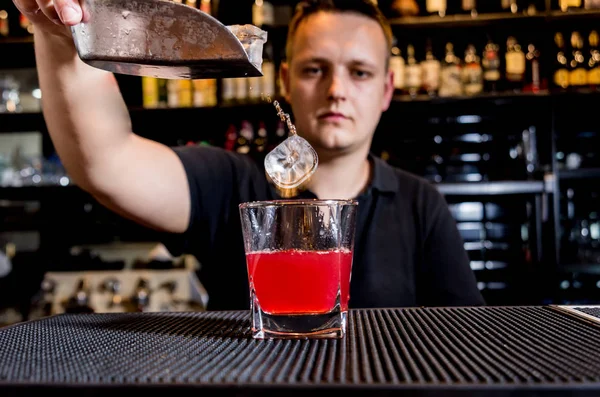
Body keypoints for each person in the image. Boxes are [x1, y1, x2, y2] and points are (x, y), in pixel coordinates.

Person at [13, 0, 485, 310]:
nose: (337, 90)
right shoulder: (233, 185)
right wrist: (56, 31)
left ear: (386, 90)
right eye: (315, 69)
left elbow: (462, 343)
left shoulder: (422, 205)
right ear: (284, 81)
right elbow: (107, 162)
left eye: (359, 73)